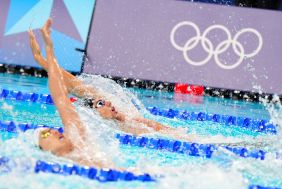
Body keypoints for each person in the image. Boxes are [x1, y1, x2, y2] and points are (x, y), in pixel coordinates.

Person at [29, 19, 197, 141]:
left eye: (103, 102)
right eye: (101, 105)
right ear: (94, 113)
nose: (108, 103)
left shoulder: (126, 116)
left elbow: (70, 81)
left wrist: (41, 59)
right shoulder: (121, 129)